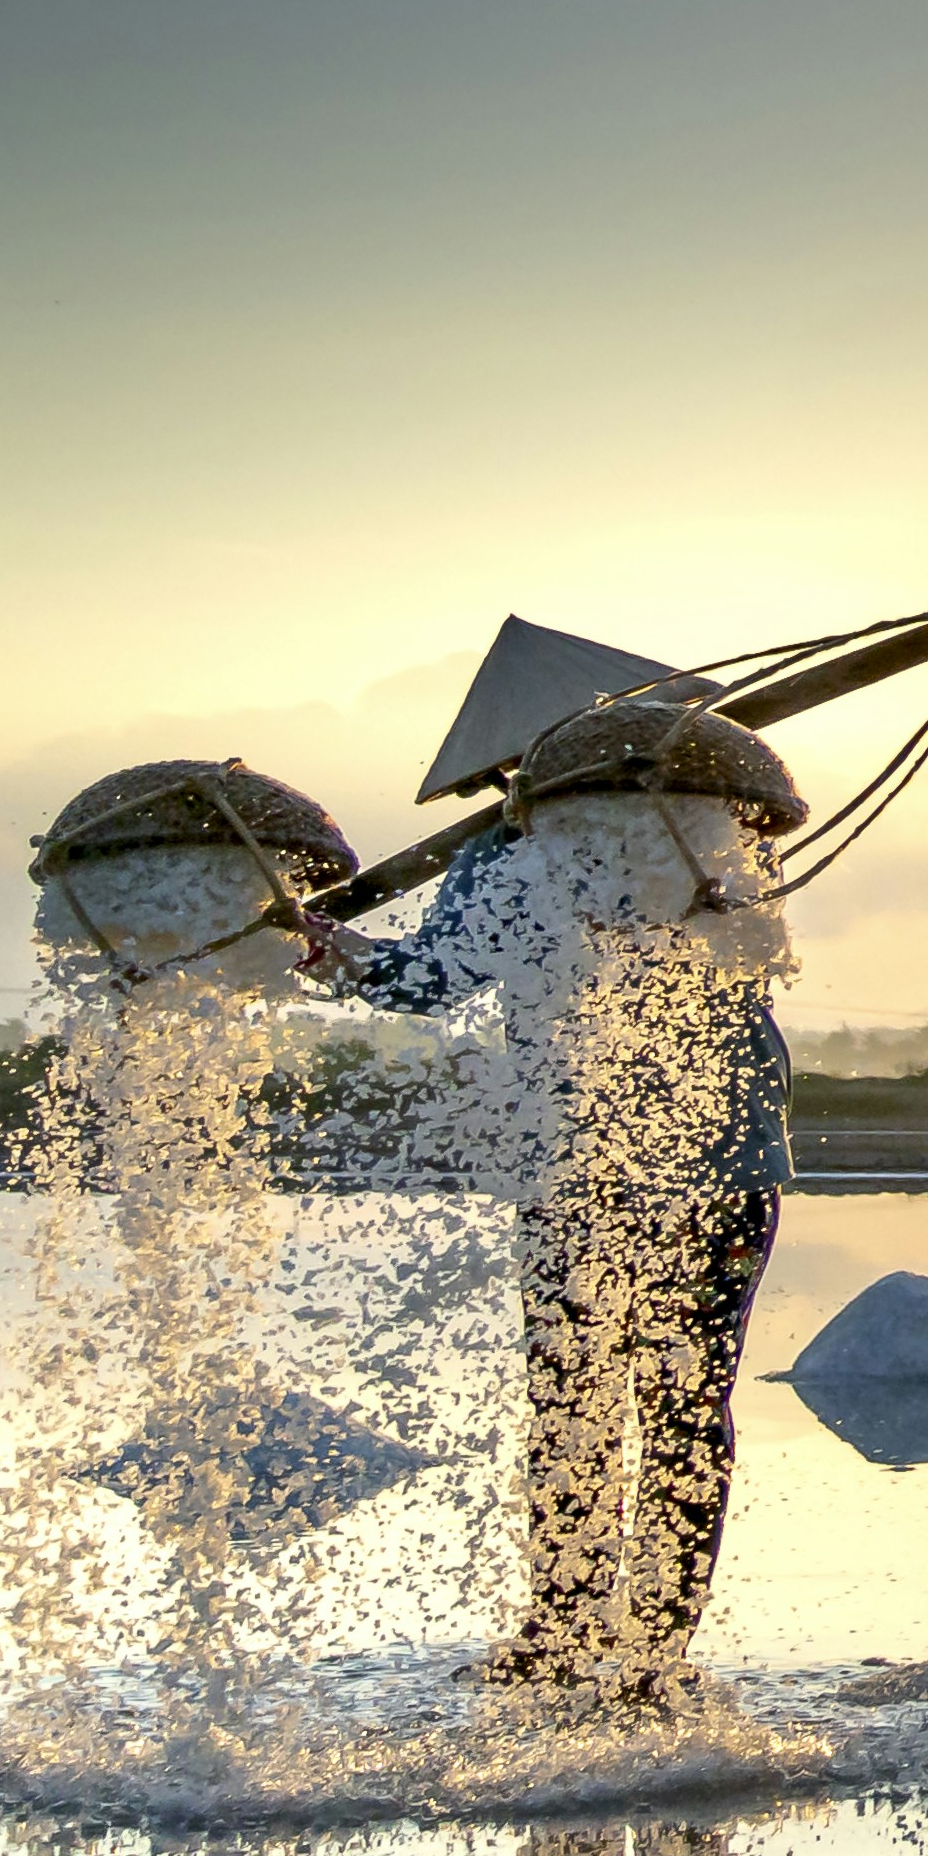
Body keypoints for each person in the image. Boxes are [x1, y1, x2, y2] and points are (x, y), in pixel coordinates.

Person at [303, 692, 804, 1692]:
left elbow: (424, 984)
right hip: (690, 1169)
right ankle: (636, 1645)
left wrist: (327, 947)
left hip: (622, 1168)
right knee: (681, 1399)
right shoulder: (711, 826)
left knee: (586, 1396)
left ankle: (584, 1634)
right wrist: (327, 943)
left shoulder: (516, 848)